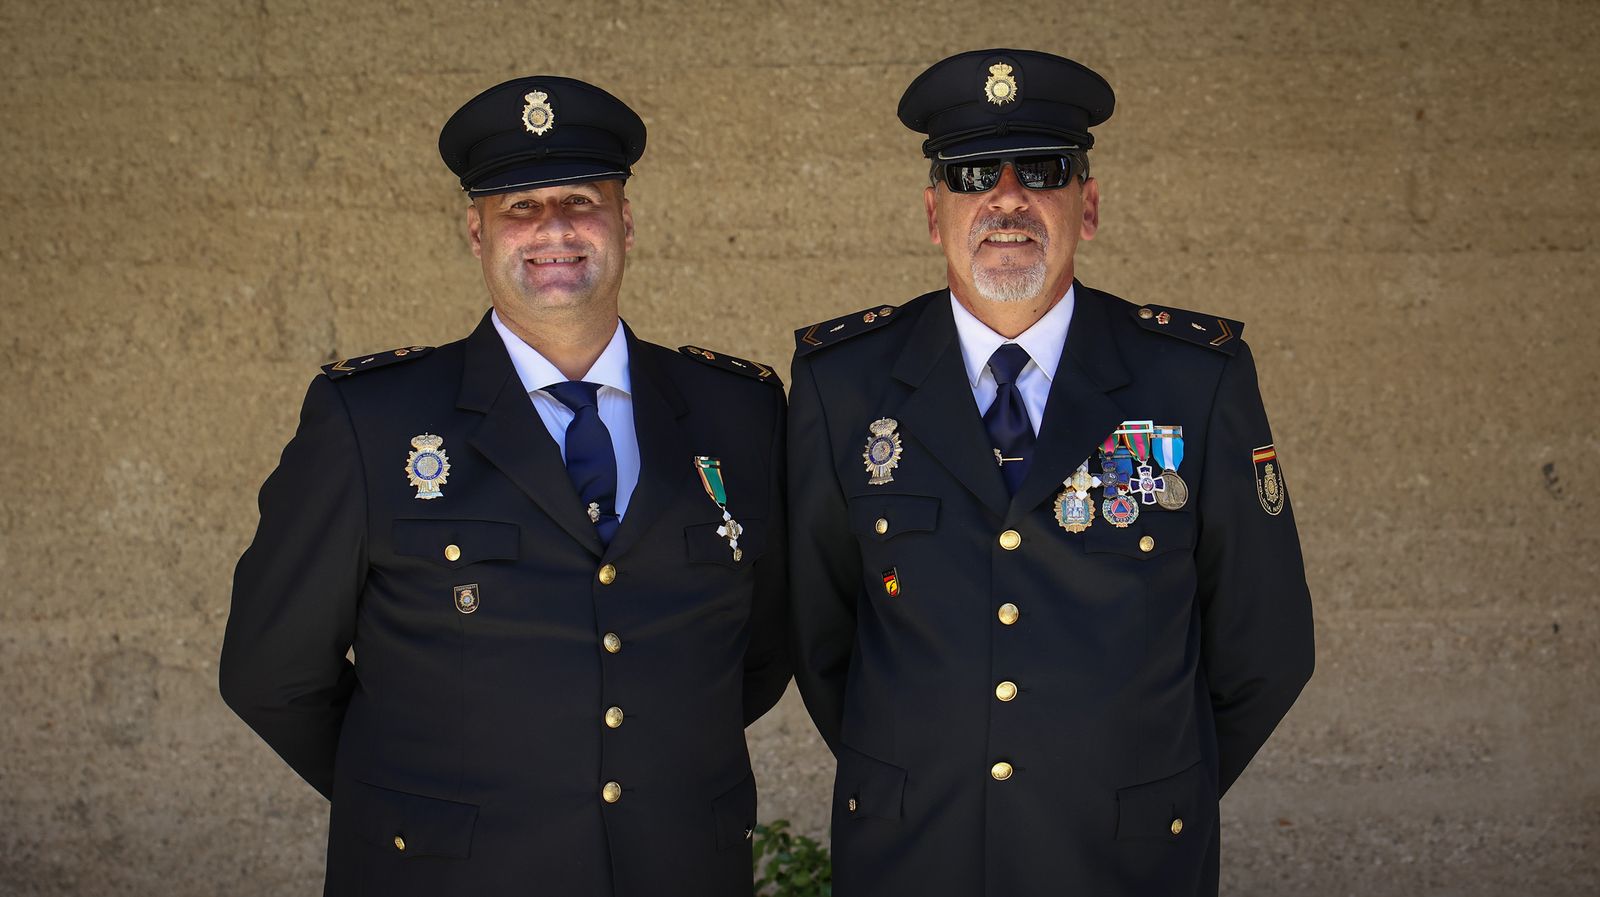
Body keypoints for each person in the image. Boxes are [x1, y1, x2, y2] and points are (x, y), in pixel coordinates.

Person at [220, 75, 789, 897]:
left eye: (580, 199)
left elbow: (759, 651)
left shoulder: (736, 412)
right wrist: (418, 801)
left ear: (625, 222)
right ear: (474, 230)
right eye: (519, 206)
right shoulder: (371, 421)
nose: (553, 226)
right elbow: (269, 671)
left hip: (677, 866)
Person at [787, 49, 1314, 897]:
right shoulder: (841, 382)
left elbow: (1268, 640)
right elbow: (819, 636)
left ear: (1089, 203)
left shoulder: (1192, 378)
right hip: (915, 850)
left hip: (1123, 855)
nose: (1005, 199)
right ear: (933, 212)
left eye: (1042, 169)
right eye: (969, 176)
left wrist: (1143, 779)